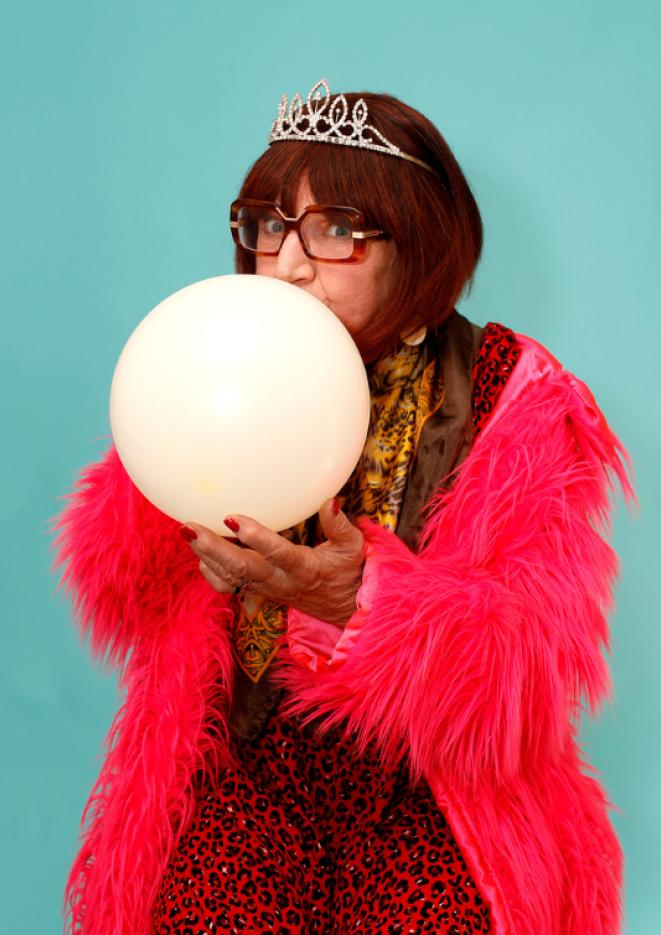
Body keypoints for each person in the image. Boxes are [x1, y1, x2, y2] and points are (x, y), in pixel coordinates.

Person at [51, 79, 634, 934]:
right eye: (267, 225)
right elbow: (123, 597)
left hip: (429, 786)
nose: (284, 264)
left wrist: (357, 602)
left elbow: (532, 677)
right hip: (246, 766)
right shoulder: (215, 361)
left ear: (416, 245)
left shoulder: (514, 389)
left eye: (334, 231)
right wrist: (162, 480)